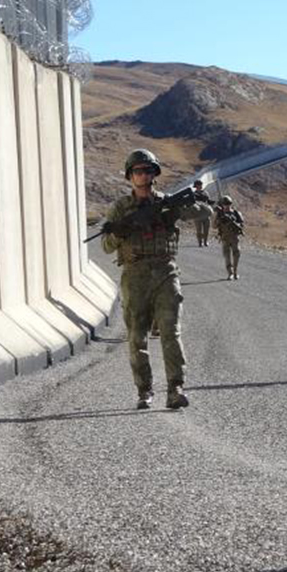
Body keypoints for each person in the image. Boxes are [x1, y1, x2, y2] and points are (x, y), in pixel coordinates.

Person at [101, 149, 209, 409]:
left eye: (148, 170)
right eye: (138, 171)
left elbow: (204, 211)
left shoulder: (166, 202)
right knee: (137, 337)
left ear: (154, 174)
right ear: (130, 176)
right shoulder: (120, 209)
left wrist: (176, 209)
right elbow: (105, 246)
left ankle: (175, 388)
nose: (143, 175)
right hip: (134, 276)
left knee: (171, 332)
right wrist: (120, 232)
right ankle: (144, 390)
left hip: (165, 272)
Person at [215, 195, 245, 280]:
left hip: (234, 238)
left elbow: (241, 225)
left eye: (228, 204)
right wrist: (218, 218)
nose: (226, 206)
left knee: (236, 254)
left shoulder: (236, 213)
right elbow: (214, 226)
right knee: (227, 256)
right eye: (225, 204)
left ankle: (235, 272)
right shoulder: (220, 214)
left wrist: (232, 222)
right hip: (225, 238)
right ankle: (230, 273)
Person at [192, 179, 214, 246]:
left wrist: (213, 202)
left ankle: (205, 241)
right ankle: (200, 242)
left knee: (206, 229)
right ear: (196, 186)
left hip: (206, 214)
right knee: (199, 230)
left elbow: (208, 201)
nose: (200, 186)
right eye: (199, 185)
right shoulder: (193, 194)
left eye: (201, 185)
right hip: (197, 214)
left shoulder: (205, 193)